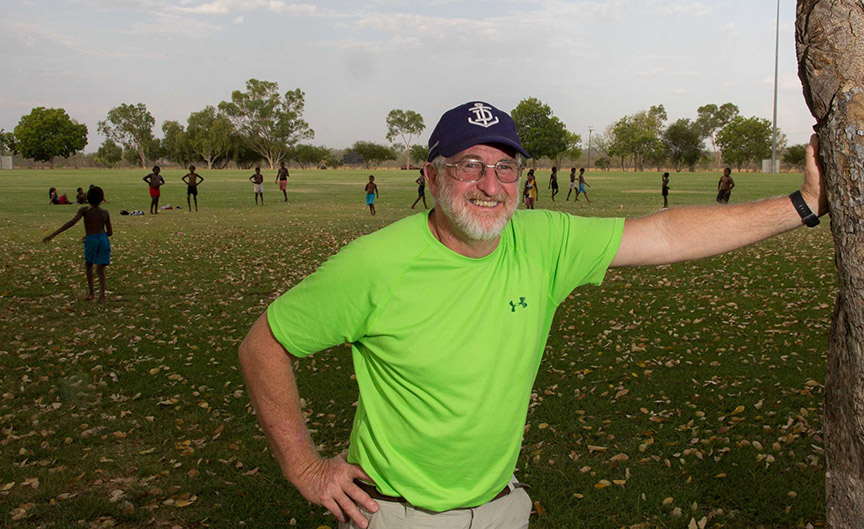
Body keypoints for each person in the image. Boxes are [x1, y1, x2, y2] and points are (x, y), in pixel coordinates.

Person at [238, 101, 827, 529]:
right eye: (469, 165)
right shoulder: (374, 265)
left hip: (501, 509)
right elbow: (264, 344)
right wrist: (305, 467)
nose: (490, 184)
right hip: (396, 516)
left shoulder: (543, 241)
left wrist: (802, 203)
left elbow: (667, 234)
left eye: (505, 167)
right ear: (432, 176)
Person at [42, 186, 112, 302]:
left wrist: (53, 234)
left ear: (88, 198)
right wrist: (99, 235)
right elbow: (110, 232)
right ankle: (103, 295)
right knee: (100, 269)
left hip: (91, 240)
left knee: (89, 265)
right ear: (101, 199)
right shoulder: (105, 212)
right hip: (103, 239)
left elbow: (71, 222)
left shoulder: (84, 210)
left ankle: (91, 293)